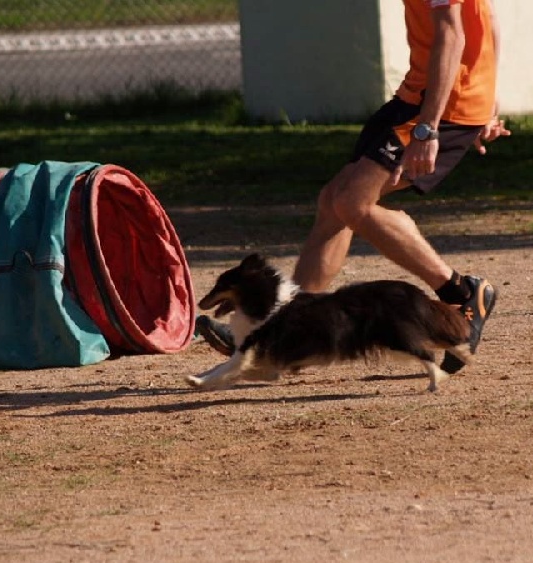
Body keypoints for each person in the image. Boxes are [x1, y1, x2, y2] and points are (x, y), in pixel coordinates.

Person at [198, 0, 510, 374]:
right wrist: (488, 102)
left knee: (351, 201)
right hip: (418, 96)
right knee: (334, 201)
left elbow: (452, 33)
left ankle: (460, 292)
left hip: (444, 108)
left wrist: (429, 129)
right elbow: (485, 20)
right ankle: (287, 335)